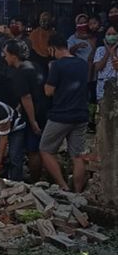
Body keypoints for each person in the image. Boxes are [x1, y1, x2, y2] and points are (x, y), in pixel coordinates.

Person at [40, 34, 90, 192]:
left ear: (53, 48)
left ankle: (63, 186)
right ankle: (78, 191)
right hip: (81, 114)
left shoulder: (57, 66)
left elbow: (48, 91)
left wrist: (50, 72)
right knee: (77, 156)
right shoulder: (82, 64)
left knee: (45, 149)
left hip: (61, 115)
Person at [3, 39, 48, 182]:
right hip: (44, 108)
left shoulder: (20, 73)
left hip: (34, 112)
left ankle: (34, 181)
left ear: (13, 55)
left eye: (6, 54)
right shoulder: (35, 66)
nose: (4, 57)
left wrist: (32, 121)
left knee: (33, 149)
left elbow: (26, 97)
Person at [94, 26, 118, 108]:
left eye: (114, 34)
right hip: (102, 89)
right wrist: (108, 51)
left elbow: (116, 67)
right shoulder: (99, 50)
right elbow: (98, 68)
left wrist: (113, 51)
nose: (111, 36)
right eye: (109, 34)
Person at [29, 11, 55, 76]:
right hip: (37, 63)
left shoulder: (54, 34)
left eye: (46, 20)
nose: (43, 22)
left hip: (50, 63)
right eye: (42, 20)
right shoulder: (34, 34)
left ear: (51, 21)